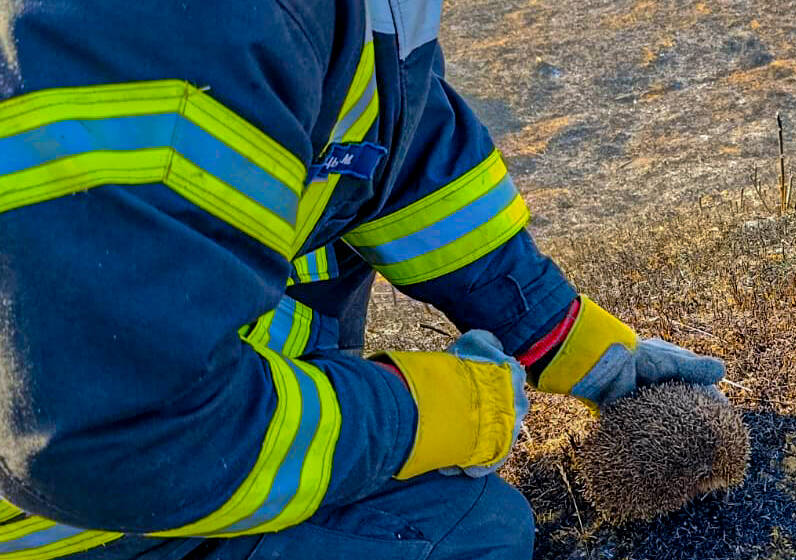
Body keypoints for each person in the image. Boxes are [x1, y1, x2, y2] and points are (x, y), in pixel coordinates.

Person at [0, 1, 725, 559]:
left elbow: (392, 155)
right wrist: (432, 411)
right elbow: (116, 436)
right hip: (70, 516)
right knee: (462, 533)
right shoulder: (173, 25)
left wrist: (563, 338)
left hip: (165, 424)